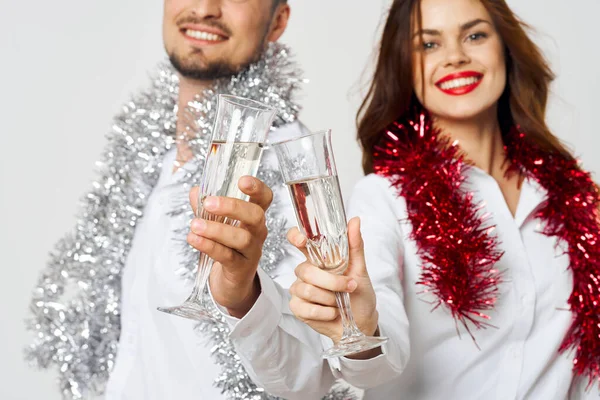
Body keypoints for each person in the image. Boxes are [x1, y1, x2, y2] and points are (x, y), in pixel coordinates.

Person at [205, 0, 600, 399]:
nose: (456, 57)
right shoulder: (385, 198)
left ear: (505, 48)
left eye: (475, 35)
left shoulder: (576, 199)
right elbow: (358, 364)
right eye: (428, 45)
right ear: (405, 66)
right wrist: (360, 327)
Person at [25, 1, 358, 399]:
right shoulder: (143, 156)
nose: (204, 8)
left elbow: (309, 378)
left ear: (278, 21)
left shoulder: (292, 173)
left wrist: (244, 298)